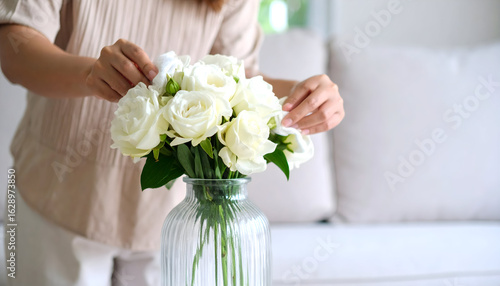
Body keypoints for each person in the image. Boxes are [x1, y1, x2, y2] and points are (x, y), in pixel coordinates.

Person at [0, 0, 344, 285]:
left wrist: (305, 96)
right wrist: (89, 75)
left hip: (163, 216)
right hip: (54, 193)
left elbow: (237, 78)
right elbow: (14, 44)